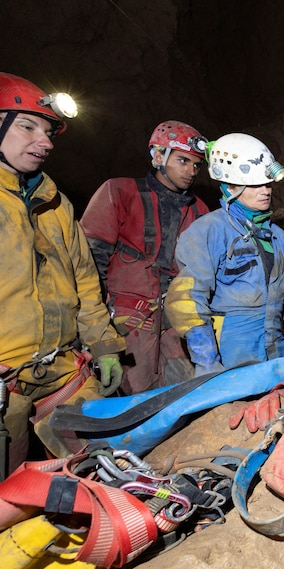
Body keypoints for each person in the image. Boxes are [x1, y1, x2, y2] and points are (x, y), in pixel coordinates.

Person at [0, 72, 125, 470]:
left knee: (100, 467)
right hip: (7, 383)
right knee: (9, 491)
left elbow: (87, 283)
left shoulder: (55, 203)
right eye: (27, 126)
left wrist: (104, 345)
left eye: (50, 131)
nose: (46, 141)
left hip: (61, 369)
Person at [164, 133, 284, 375]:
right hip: (231, 354)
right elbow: (188, 300)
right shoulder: (207, 232)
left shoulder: (278, 237)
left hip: (275, 348)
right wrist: (205, 360)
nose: (266, 191)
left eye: (268, 183)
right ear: (230, 186)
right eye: (256, 184)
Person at [80, 121, 209, 394]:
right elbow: (89, 265)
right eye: (183, 160)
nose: (191, 171)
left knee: (181, 398)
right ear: (159, 156)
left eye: (196, 165)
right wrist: (96, 329)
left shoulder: (199, 209)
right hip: (129, 324)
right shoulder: (120, 192)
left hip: (177, 323)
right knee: (133, 402)